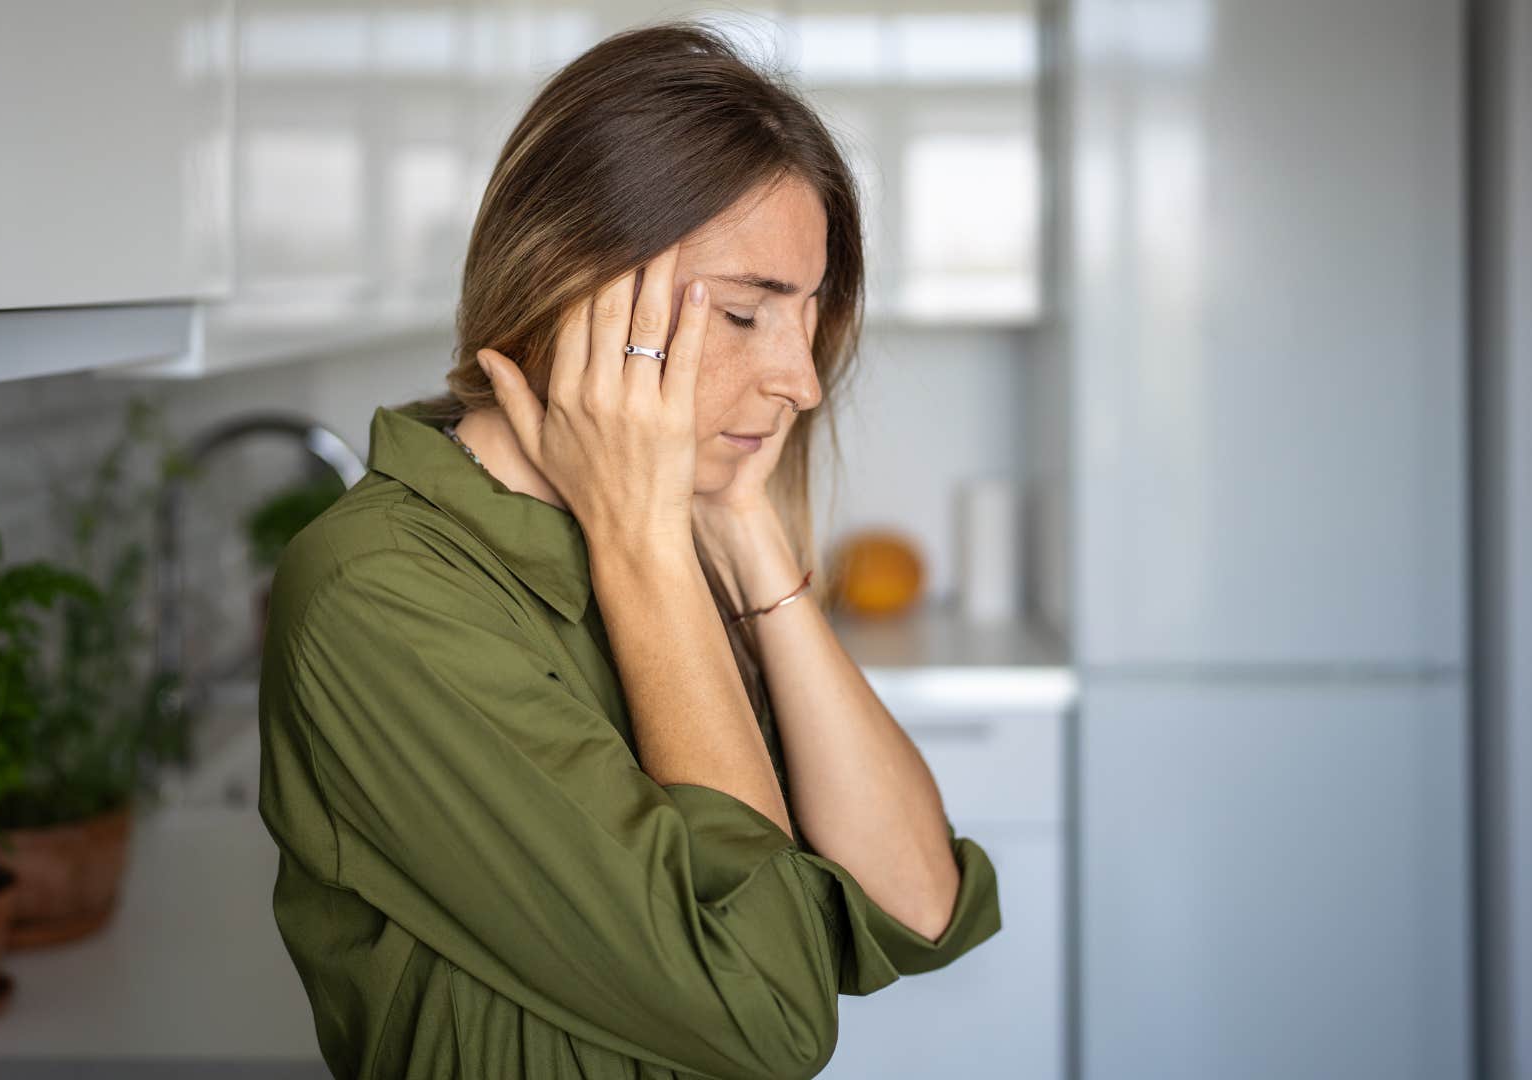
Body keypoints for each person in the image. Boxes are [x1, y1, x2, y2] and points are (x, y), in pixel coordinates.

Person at [256, 20, 1001, 1080]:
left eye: (810, 316)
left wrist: (741, 527)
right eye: (747, 315)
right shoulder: (379, 595)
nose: (801, 378)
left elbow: (917, 901)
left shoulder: (675, 529)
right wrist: (646, 543)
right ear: (573, 288)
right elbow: (768, 1015)